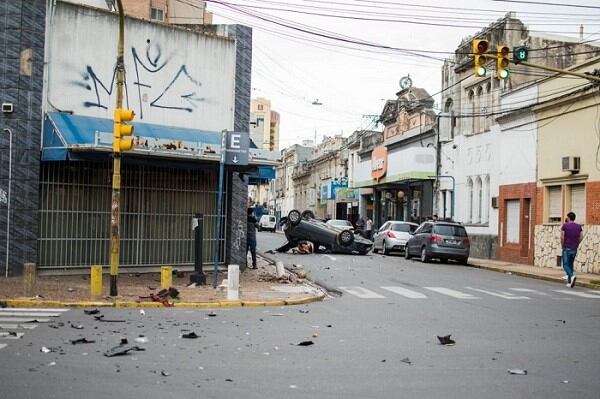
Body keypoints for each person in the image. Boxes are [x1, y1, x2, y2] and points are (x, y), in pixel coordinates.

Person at [561, 212, 583, 288]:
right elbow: (581, 237)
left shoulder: (565, 226)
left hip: (566, 247)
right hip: (574, 248)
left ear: (568, 218)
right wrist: (577, 243)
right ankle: (570, 282)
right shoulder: (579, 226)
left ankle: (572, 276)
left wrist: (562, 245)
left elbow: (562, 237)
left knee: (565, 264)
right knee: (571, 264)